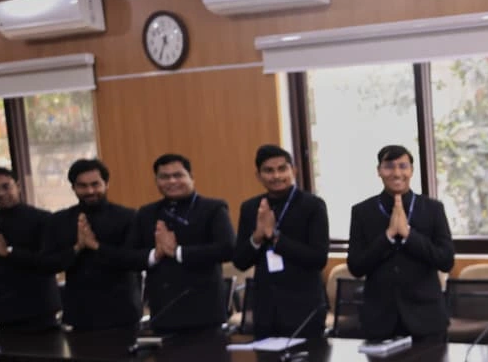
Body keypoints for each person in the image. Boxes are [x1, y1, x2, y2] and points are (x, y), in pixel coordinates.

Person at [347, 145, 454, 344]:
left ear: (411, 170)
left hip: (427, 319)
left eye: (403, 166)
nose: (396, 173)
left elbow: (446, 260)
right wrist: (387, 236)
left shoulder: (433, 209)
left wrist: (409, 235)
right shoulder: (362, 211)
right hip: (380, 320)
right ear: (379, 171)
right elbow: (356, 267)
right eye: (389, 166)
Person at [124, 153, 234, 332]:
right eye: (164, 177)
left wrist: (178, 252)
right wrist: (155, 254)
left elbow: (227, 248)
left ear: (191, 177)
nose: (172, 181)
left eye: (178, 175)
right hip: (163, 309)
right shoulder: (146, 213)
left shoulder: (213, 208)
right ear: (156, 181)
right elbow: (128, 257)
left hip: (205, 309)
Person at [232, 144, 330, 338]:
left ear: (293, 170)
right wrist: (257, 237)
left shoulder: (313, 205)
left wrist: (275, 237)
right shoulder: (250, 208)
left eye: (282, 169)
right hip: (265, 308)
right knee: (265, 356)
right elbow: (240, 262)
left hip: (304, 307)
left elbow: (318, 259)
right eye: (269, 171)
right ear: (259, 176)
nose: (276, 176)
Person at [41, 159, 142, 331]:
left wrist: (96, 246)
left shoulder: (128, 216)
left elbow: (134, 260)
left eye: (95, 184)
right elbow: (47, 264)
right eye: (82, 186)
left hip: (122, 311)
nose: (90, 191)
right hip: (79, 313)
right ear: (73, 187)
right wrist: (77, 248)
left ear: (106, 184)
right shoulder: (59, 220)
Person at [0, 167, 59, 330]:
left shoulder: (43, 219)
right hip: (3, 310)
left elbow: (51, 262)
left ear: (17, 186)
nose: (0, 193)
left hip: (40, 308)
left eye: (5, 186)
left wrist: (8, 252)